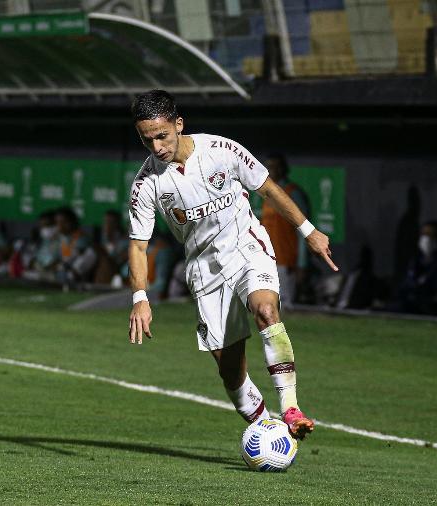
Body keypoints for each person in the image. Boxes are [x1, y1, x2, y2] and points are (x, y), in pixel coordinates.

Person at [126, 90, 338, 439]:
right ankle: (264, 430)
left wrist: (309, 231)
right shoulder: (146, 184)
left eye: (162, 135)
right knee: (230, 372)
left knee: (266, 310)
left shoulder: (221, 151)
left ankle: (290, 408)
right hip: (204, 271)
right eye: (146, 140)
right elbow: (137, 245)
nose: (156, 146)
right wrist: (140, 298)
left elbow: (268, 188)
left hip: (246, 248)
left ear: (178, 124)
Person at [261, 154, 310, 306]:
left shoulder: (293, 193)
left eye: (276, 166)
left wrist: (302, 263)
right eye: (269, 167)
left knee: (285, 309)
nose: (273, 170)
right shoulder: (268, 194)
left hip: (287, 262)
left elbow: (305, 230)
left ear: (284, 169)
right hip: (268, 260)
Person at [397, 221, 437, 316]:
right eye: (423, 235)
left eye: (429, 235)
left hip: (433, 308)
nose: (425, 239)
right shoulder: (416, 259)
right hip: (412, 304)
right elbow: (407, 283)